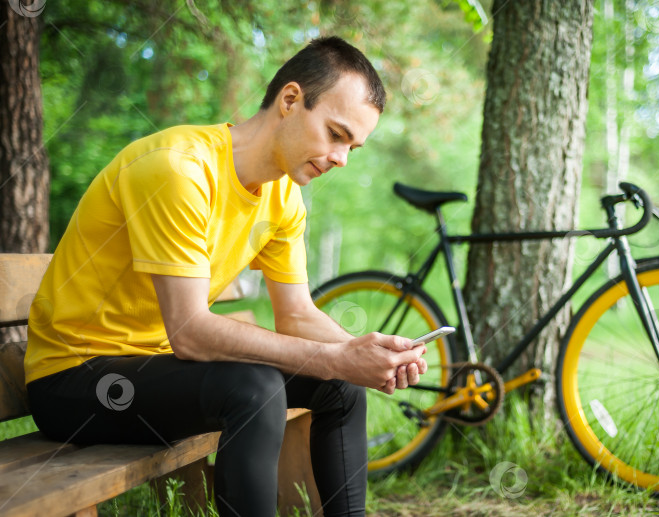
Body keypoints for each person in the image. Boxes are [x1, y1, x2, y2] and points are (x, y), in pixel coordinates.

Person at [23, 36, 427, 517]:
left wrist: (363, 351)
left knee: (337, 386)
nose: (342, 158)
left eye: (352, 147)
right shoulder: (179, 170)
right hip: (75, 379)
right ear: (291, 100)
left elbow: (296, 315)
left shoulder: (284, 199)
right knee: (254, 389)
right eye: (336, 134)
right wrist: (335, 357)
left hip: (161, 371)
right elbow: (190, 332)